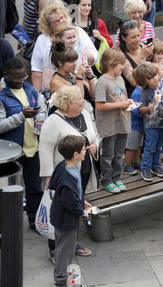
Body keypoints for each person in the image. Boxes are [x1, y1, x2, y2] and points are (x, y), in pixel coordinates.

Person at [39, 84, 99, 261]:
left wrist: (95, 145)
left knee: (76, 206)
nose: (84, 101)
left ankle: (73, 243)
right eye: (80, 99)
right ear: (68, 103)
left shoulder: (86, 113)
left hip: (83, 169)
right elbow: (44, 150)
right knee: (59, 210)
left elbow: (94, 135)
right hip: (63, 176)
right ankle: (54, 248)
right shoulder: (53, 122)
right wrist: (49, 176)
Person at [0, 58, 46, 230]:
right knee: (13, 192)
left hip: (32, 148)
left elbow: (40, 107)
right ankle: (10, 225)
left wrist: (40, 119)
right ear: (6, 76)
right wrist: (21, 116)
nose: (21, 81)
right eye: (16, 78)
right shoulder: (2, 95)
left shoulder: (29, 88)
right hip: (13, 153)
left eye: (23, 76)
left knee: (35, 188)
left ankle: (34, 220)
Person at [49, 134, 91, 287]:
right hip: (66, 220)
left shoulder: (64, 166)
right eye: (83, 149)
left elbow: (72, 192)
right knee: (65, 250)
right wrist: (81, 211)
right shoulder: (68, 176)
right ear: (75, 154)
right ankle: (60, 281)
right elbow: (68, 200)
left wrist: (82, 201)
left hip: (61, 217)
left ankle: (60, 275)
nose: (85, 150)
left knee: (62, 247)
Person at [31, 1, 98, 94]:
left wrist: (79, 52)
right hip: (63, 93)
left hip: (83, 87)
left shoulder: (78, 32)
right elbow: (38, 72)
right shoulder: (46, 45)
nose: (61, 21)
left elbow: (94, 56)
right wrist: (38, 96)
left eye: (62, 17)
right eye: (56, 21)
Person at [95, 48, 133, 193]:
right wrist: (120, 104)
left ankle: (117, 178)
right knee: (108, 154)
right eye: (121, 64)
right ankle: (106, 180)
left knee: (119, 153)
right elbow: (99, 105)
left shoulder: (120, 78)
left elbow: (121, 97)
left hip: (122, 122)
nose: (123, 67)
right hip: (109, 125)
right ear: (111, 63)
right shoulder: (102, 82)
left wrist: (127, 101)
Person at [135, 63, 163, 181]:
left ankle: (156, 166)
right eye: (150, 78)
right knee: (150, 147)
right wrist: (147, 108)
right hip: (151, 125)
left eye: (155, 75)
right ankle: (145, 168)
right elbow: (140, 108)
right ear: (144, 81)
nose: (155, 78)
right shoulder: (145, 93)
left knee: (159, 147)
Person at [48, 43, 96, 118]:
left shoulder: (73, 75)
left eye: (75, 61)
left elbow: (94, 95)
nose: (75, 64)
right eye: (71, 62)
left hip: (89, 114)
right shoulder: (55, 82)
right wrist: (79, 76)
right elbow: (79, 100)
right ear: (60, 63)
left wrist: (89, 77)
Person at [117, 19, 154, 97]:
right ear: (124, 38)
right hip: (135, 96)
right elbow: (134, 82)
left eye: (138, 35)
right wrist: (143, 56)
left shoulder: (144, 47)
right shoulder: (121, 56)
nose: (137, 39)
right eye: (133, 37)